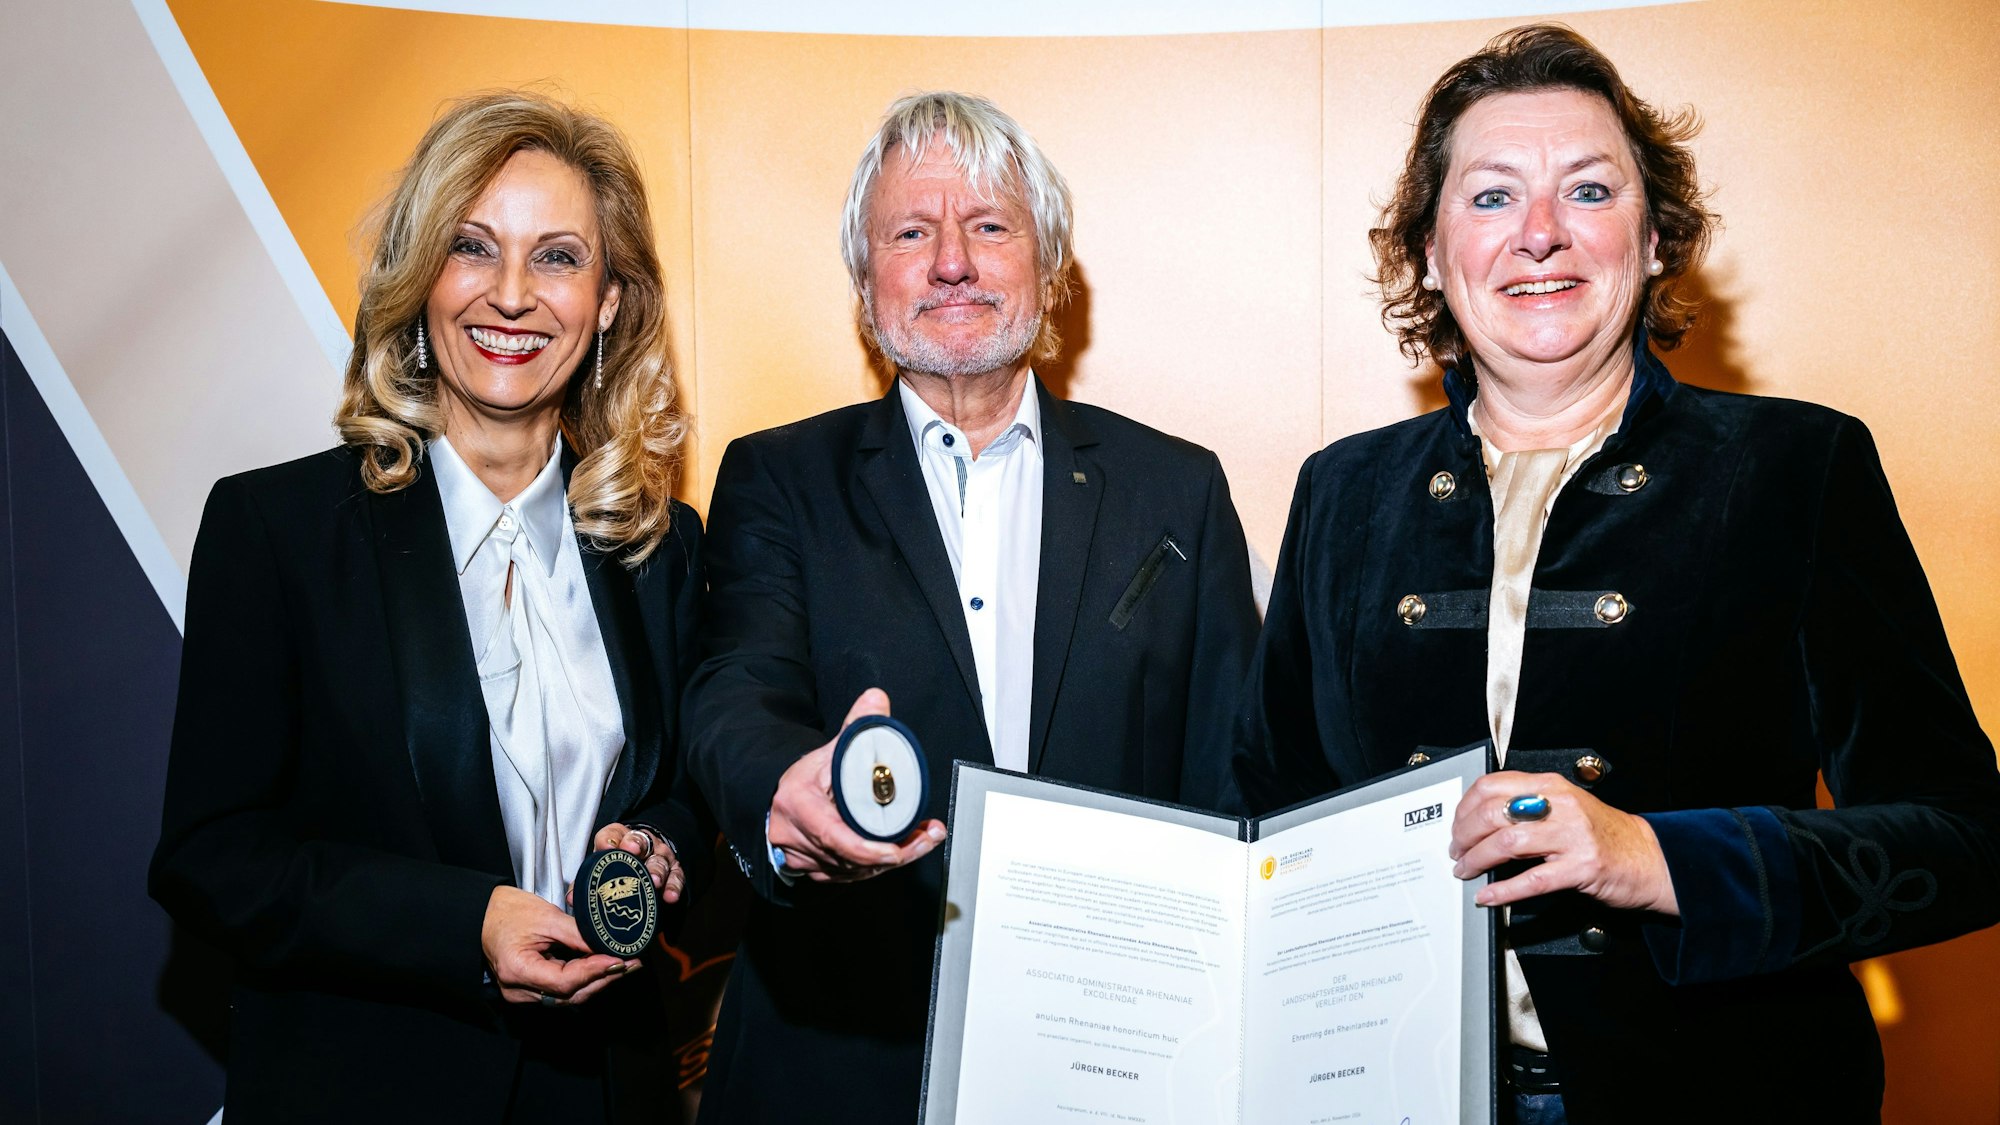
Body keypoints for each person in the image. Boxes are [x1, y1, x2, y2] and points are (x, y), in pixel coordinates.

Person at [1234, 24, 2000, 1125]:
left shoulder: (1795, 467)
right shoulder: (1341, 492)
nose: (1538, 235)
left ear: (1651, 243)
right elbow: (1268, 820)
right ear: (1430, 253)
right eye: (1490, 198)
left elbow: (1965, 836)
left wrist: (1655, 857)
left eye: (1588, 192)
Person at [684, 91, 1260, 1123]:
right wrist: (783, 788)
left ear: (1053, 267)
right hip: (841, 1051)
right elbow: (737, 686)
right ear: (866, 284)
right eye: (911, 233)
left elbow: (1231, 771)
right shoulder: (778, 477)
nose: (952, 261)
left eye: (989, 226)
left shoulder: (1176, 490)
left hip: (1117, 1061)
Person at [149, 91, 708, 1124]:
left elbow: (683, 796)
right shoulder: (279, 530)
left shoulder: (658, 547)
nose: (510, 295)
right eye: (471, 247)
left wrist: (659, 843)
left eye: (556, 258)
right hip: (367, 1088)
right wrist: (464, 924)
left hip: (604, 1096)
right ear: (419, 281)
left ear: (610, 302)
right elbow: (210, 859)